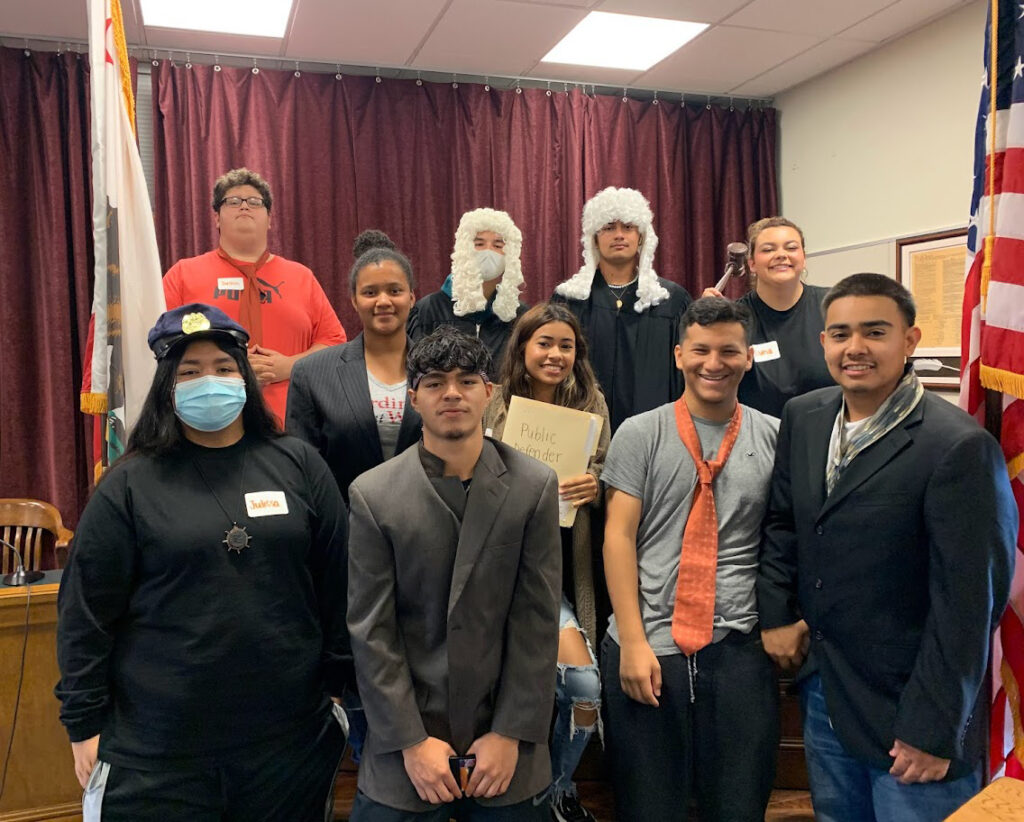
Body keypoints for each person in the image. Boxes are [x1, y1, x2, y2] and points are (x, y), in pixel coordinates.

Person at [55, 303, 351, 821]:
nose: (208, 381)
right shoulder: (128, 484)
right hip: (159, 753)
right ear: (168, 386)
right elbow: (85, 613)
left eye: (222, 367)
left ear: (245, 377)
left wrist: (337, 689)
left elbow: (339, 583)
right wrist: (83, 722)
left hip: (287, 743)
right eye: (189, 372)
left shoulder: (299, 464)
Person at [757, 273, 1017, 822]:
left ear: (911, 340)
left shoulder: (958, 447)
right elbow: (784, 524)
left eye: (875, 332)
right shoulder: (804, 418)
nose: (855, 348)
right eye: (840, 333)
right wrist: (777, 613)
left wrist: (932, 727)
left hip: (913, 711)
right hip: (827, 691)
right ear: (823, 341)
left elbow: (970, 604)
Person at [347, 326, 561, 821]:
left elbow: (536, 620)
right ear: (412, 397)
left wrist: (511, 732)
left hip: (506, 736)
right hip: (406, 740)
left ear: (490, 392)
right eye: (435, 382)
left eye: (467, 381)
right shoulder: (373, 494)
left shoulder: (533, 486)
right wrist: (411, 742)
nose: (451, 394)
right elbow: (371, 631)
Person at [601, 297, 780, 821]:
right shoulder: (640, 432)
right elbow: (617, 538)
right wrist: (632, 641)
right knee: (650, 807)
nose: (714, 363)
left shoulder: (774, 435)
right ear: (679, 355)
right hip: (648, 647)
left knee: (739, 805)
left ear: (748, 357)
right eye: (700, 350)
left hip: (739, 647)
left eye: (728, 351)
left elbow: (783, 542)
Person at [482, 302, 611, 822]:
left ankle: (556, 790)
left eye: (566, 345)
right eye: (544, 343)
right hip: (499, 574)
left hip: (557, 571)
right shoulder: (494, 402)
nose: (555, 354)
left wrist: (593, 487)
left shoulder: (593, 402)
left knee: (583, 687)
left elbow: (605, 473)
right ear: (522, 348)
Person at [163, 167, 346, 422]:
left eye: (254, 202)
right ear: (216, 217)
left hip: (290, 422)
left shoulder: (301, 276)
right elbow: (164, 344)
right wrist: (224, 367)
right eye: (233, 201)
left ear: (270, 219)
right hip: (205, 424)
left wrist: (290, 366)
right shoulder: (182, 275)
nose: (244, 207)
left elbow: (334, 343)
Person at [287, 246, 423, 505]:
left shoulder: (439, 370)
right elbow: (302, 469)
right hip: (347, 528)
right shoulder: (311, 373)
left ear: (412, 298)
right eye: (370, 292)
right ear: (354, 300)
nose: (383, 301)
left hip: (427, 527)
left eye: (395, 291)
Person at [552, 187, 692, 433]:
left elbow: (686, 377)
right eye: (608, 227)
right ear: (594, 237)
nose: (619, 235)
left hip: (655, 434)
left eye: (628, 227)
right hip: (579, 433)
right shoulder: (569, 300)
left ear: (641, 236)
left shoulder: (671, 300)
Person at [704, 216, 834, 417]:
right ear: (752, 264)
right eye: (768, 249)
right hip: (760, 442)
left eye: (791, 248)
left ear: (804, 258)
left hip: (829, 440)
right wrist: (705, 326)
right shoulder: (734, 320)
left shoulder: (833, 306)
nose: (781, 255)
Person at [408, 207, 528, 365]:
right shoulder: (429, 310)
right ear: (464, 250)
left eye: (498, 246)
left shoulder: (519, 315)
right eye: (479, 244)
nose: (488, 252)